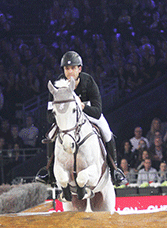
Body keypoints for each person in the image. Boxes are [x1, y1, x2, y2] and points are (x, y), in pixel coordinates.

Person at [35, 51, 126, 186]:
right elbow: (49, 115)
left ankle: (115, 170)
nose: (70, 71)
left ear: (79, 69)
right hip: (68, 120)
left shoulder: (88, 81)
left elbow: (97, 110)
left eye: (73, 68)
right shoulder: (58, 86)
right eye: (67, 68)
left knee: (107, 133)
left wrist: (82, 106)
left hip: (89, 114)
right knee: (51, 135)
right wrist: (59, 116)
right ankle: (48, 171)